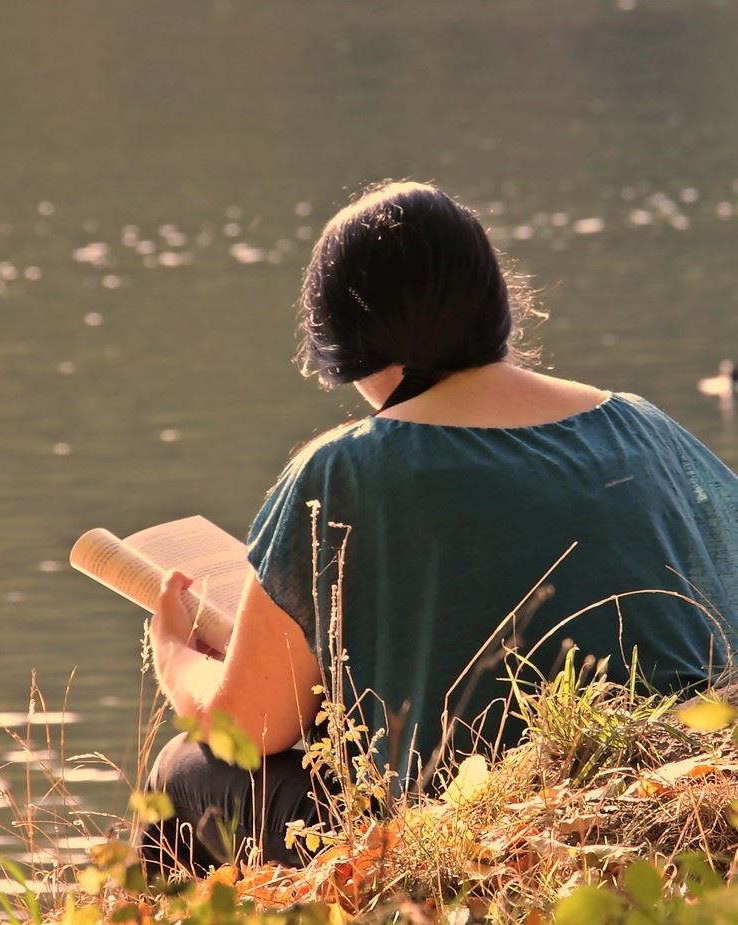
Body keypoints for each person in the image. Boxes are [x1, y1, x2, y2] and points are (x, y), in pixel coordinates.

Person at [138, 180, 738, 878]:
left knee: (181, 769)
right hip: (680, 813)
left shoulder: (344, 470)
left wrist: (176, 655)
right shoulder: (645, 426)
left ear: (345, 339)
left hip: (475, 844)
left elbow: (246, 729)